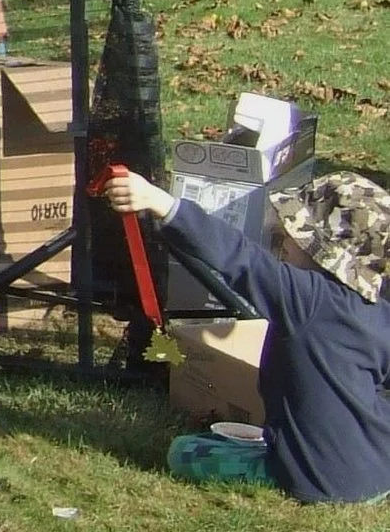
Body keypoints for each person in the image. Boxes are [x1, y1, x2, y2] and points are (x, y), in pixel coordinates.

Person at [106, 169, 390, 502]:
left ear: (322, 254)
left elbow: (239, 257)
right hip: (379, 471)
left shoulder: (307, 298)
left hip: (320, 482)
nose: (283, 242)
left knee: (185, 451)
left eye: (293, 237)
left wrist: (162, 204)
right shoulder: (377, 309)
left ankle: (290, 467)